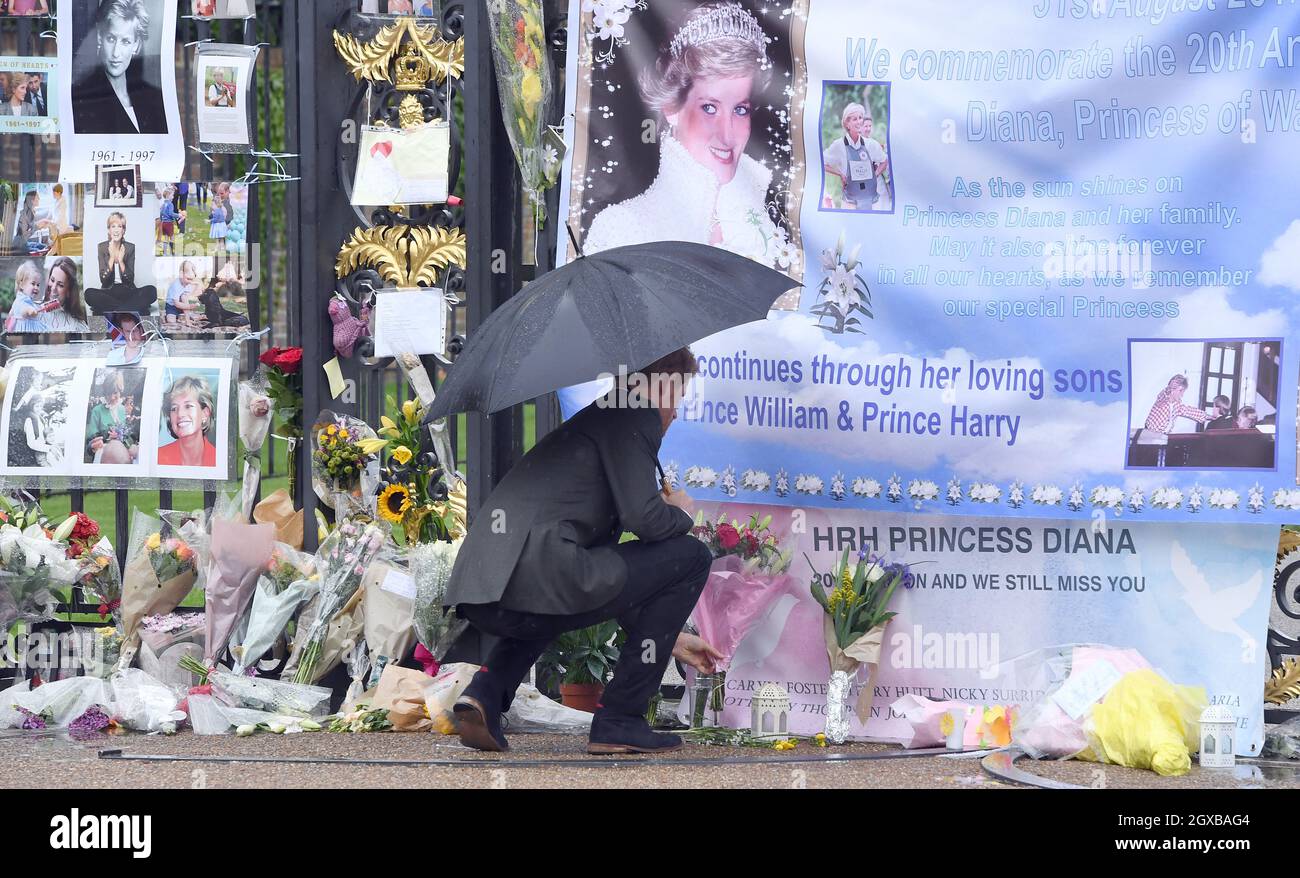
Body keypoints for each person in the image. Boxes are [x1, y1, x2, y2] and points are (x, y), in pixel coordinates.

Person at [444, 348, 723, 755]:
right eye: (678, 395)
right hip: (539, 574)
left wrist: (672, 640)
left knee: (556, 598)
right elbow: (645, 520)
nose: (676, 411)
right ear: (659, 383)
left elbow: (607, 590)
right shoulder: (633, 413)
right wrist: (680, 513)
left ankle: (485, 693)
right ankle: (621, 718)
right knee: (691, 556)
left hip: (490, 584)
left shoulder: (604, 416)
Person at [582, 3, 785, 268]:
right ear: (671, 108)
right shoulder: (623, 227)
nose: (727, 134)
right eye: (709, 108)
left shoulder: (762, 222)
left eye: (740, 109)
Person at [71, 0, 168, 135]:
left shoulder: (153, 98)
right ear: (100, 37)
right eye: (111, 39)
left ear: (136, 45)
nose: (116, 53)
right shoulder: (83, 98)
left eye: (125, 41)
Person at [83, 211, 157, 315]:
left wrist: (121, 261)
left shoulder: (130, 247)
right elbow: (103, 279)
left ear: (124, 230)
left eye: (120, 226)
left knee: (151, 291)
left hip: (128, 291)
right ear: (109, 230)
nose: (116, 230)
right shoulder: (102, 247)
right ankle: (132, 308)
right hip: (109, 292)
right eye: (113, 226)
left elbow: (130, 278)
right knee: (89, 294)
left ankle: (111, 310)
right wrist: (112, 257)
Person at [823, 101, 889, 211]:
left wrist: (875, 174)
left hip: (873, 203)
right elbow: (821, 162)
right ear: (847, 123)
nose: (859, 122)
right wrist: (840, 174)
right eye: (855, 119)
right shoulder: (838, 145)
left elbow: (884, 160)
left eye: (860, 118)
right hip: (850, 204)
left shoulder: (871, 144)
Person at [158, 374, 217, 467]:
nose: (180, 414)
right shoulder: (158, 458)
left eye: (188, 406)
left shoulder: (219, 461)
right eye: (174, 408)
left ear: (205, 413)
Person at [85, 371, 138, 464]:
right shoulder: (97, 411)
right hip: (104, 457)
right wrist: (106, 438)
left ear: (120, 391)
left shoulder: (122, 409)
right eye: (108, 394)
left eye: (115, 393)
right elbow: (90, 443)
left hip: (123, 457)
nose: (112, 397)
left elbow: (129, 436)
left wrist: (123, 438)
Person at [38, 257, 91, 333]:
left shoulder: (77, 325)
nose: (53, 288)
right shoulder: (31, 308)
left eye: (60, 285)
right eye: (52, 280)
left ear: (69, 292)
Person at [1143, 375, 1211, 433]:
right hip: (1150, 435)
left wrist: (1208, 416)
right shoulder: (1162, 399)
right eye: (1180, 391)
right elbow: (1165, 392)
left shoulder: (1176, 405)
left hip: (1162, 437)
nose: (1182, 394)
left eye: (1183, 391)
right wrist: (1171, 386)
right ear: (1172, 389)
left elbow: (1190, 411)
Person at [4, 260, 55, 333]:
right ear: (21, 285)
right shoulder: (20, 300)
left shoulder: (28, 300)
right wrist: (29, 310)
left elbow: (11, 313)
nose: (36, 287)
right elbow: (23, 310)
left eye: (38, 285)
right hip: (26, 334)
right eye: (33, 284)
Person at [164, 260, 203, 324]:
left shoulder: (188, 284)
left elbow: (194, 295)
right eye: (188, 279)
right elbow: (177, 304)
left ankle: (186, 319)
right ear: (181, 274)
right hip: (172, 306)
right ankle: (176, 317)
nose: (189, 282)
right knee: (171, 321)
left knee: (184, 296)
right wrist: (189, 306)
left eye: (191, 279)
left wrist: (197, 285)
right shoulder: (176, 285)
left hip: (183, 306)